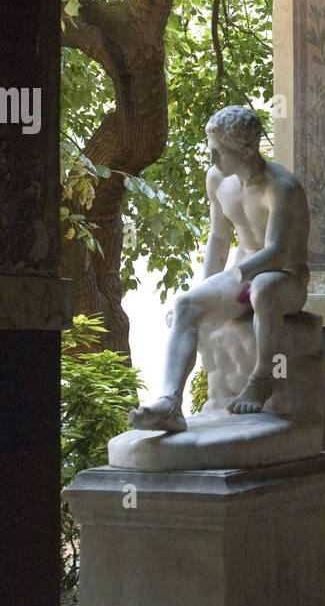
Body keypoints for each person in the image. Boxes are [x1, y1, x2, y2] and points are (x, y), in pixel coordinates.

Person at [128, 105, 310, 433]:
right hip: (244, 275)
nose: (213, 160)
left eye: (219, 152)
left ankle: (262, 379)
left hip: (286, 278)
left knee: (264, 286)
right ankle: (170, 403)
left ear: (246, 150)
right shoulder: (218, 179)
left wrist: (236, 276)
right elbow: (218, 237)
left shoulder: (280, 186)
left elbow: (278, 254)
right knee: (186, 304)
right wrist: (205, 290)